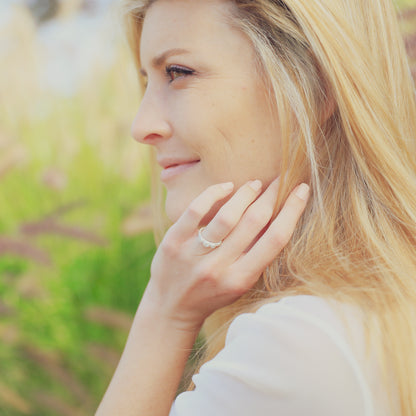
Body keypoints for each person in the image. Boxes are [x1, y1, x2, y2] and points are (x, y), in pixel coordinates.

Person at [96, 0, 416, 415]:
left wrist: (163, 316)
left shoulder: (292, 346)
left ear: (311, 85)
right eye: (148, 81)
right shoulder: (375, 315)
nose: (142, 126)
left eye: (178, 73)